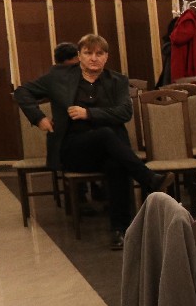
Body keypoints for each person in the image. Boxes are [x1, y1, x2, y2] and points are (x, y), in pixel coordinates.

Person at [14, 33, 170, 251]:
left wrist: (89, 113)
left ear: (106, 57)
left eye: (99, 53)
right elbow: (22, 92)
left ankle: (120, 231)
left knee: (116, 164)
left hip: (110, 151)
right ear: (79, 56)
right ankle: (148, 178)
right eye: (88, 53)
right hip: (73, 150)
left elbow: (125, 112)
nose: (94, 58)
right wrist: (39, 118)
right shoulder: (59, 77)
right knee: (106, 135)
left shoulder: (117, 80)